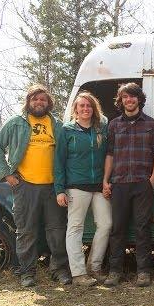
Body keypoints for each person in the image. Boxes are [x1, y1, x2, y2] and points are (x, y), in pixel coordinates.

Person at [0, 84, 70, 287]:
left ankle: (59, 270)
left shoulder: (58, 125)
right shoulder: (16, 123)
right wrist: (7, 174)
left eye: (43, 99)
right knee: (26, 231)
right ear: (28, 102)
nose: (39, 102)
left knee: (57, 230)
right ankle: (27, 273)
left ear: (48, 103)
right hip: (25, 186)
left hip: (53, 186)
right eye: (35, 99)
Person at [102, 83, 154, 288]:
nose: (129, 100)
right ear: (121, 101)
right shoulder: (114, 125)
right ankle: (115, 271)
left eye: (133, 97)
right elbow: (109, 154)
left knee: (142, 228)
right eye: (125, 97)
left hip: (142, 183)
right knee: (117, 229)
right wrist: (106, 180)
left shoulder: (152, 125)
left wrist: (152, 179)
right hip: (119, 183)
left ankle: (143, 272)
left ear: (139, 99)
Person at [54, 91, 111, 287]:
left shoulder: (101, 129)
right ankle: (78, 273)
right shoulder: (67, 130)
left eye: (89, 106)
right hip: (76, 186)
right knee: (75, 228)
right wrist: (59, 189)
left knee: (105, 224)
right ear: (75, 109)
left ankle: (94, 267)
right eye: (82, 106)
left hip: (98, 186)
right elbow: (59, 162)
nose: (85, 109)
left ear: (94, 109)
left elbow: (108, 156)